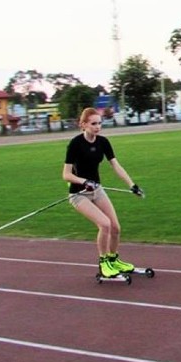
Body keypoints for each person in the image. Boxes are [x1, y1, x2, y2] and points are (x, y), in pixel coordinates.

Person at [62, 107, 144, 278]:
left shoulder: (103, 142)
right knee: (104, 224)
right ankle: (104, 263)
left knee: (115, 227)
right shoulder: (75, 144)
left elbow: (116, 165)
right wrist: (84, 181)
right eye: (93, 124)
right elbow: (66, 175)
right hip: (79, 194)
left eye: (99, 123)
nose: (97, 127)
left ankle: (113, 260)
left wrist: (132, 185)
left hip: (97, 190)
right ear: (83, 124)